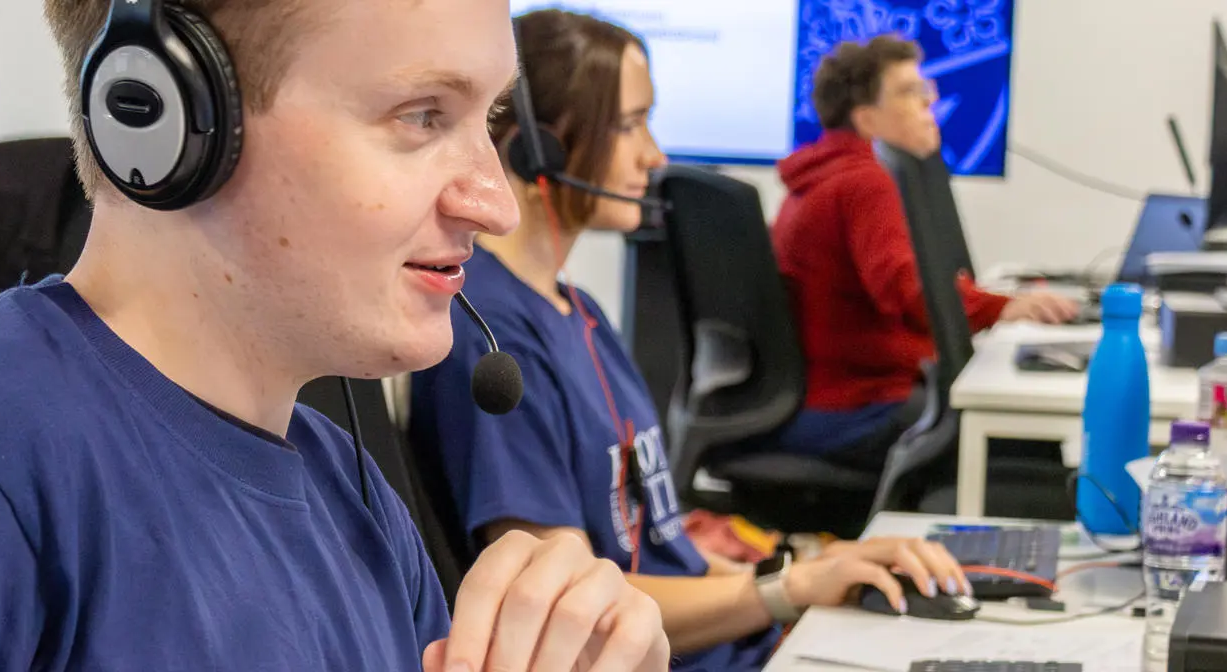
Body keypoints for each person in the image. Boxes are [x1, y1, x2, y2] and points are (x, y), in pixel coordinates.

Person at [0, 0, 669, 670]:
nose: (494, 201)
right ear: (161, 120)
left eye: (489, 120)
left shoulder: (349, 493)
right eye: (423, 116)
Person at [406, 11, 971, 672]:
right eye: (628, 125)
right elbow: (571, 616)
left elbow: (657, 542)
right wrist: (786, 589)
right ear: (542, 149)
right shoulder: (493, 345)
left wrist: (812, 566)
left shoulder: (578, 312)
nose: (654, 154)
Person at [770, 35, 1077, 468]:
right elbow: (907, 290)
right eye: (909, 93)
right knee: (1026, 441)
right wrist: (1001, 308)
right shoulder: (862, 182)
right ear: (866, 120)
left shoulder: (821, 177)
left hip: (830, 397)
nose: (928, 105)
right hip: (855, 405)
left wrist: (989, 305)